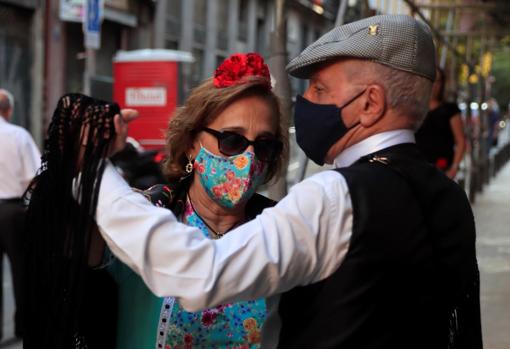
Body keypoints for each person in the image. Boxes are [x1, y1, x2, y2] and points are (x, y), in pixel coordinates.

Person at [90, 15, 481, 348]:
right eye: (230, 140)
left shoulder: (333, 196)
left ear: (369, 103)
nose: (306, 100)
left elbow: (200, 273)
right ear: (192, 142)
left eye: (320, 89)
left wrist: (93, 170)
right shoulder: (449, 198)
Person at [109, 52, 286, 349]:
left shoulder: (281, 232)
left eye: (264, 145)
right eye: (232, 140)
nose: (248, 158)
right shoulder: (147, 218)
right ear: (192, 143)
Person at [23, 94, 120, 349]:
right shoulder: (91, 188)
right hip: (81, 304)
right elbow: (92, 257)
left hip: (49, 303)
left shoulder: (48, 182)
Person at [0, 88, 40, 339]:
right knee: (21, 271)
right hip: (14, 211)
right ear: (9, 110)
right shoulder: (18, 136)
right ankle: (22, 328)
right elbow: (34, 177)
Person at [415, 68, 466, 179]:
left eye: (438, 81)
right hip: (417, 170)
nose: (434, 85)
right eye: (431, 80)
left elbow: (461, 141)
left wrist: (454, 167)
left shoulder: (450, 109)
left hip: (442, 170)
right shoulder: (414, 109)